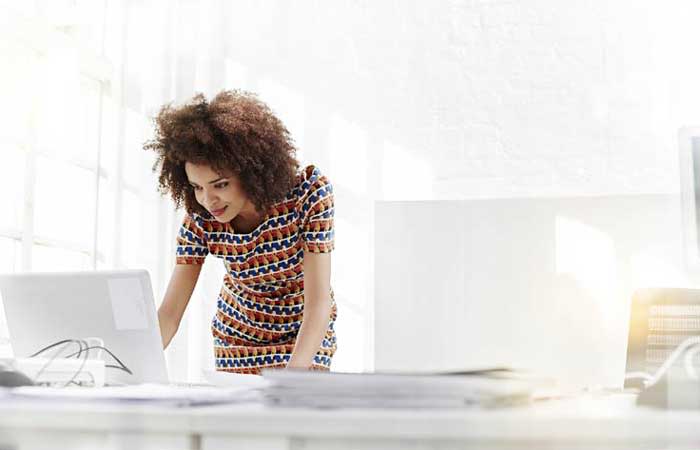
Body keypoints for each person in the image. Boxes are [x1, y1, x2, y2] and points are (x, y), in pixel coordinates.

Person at [144, 90, 337, 374]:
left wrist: (292, 379)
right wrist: (130, 367)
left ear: (250, 170)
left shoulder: (308, 193)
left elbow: (318, 303)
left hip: (304, 332)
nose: (209, 200)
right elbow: (170, 315)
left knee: (293, 413)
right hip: (238, 341)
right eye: (197, 187)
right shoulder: (201, 217)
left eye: (220, 184)